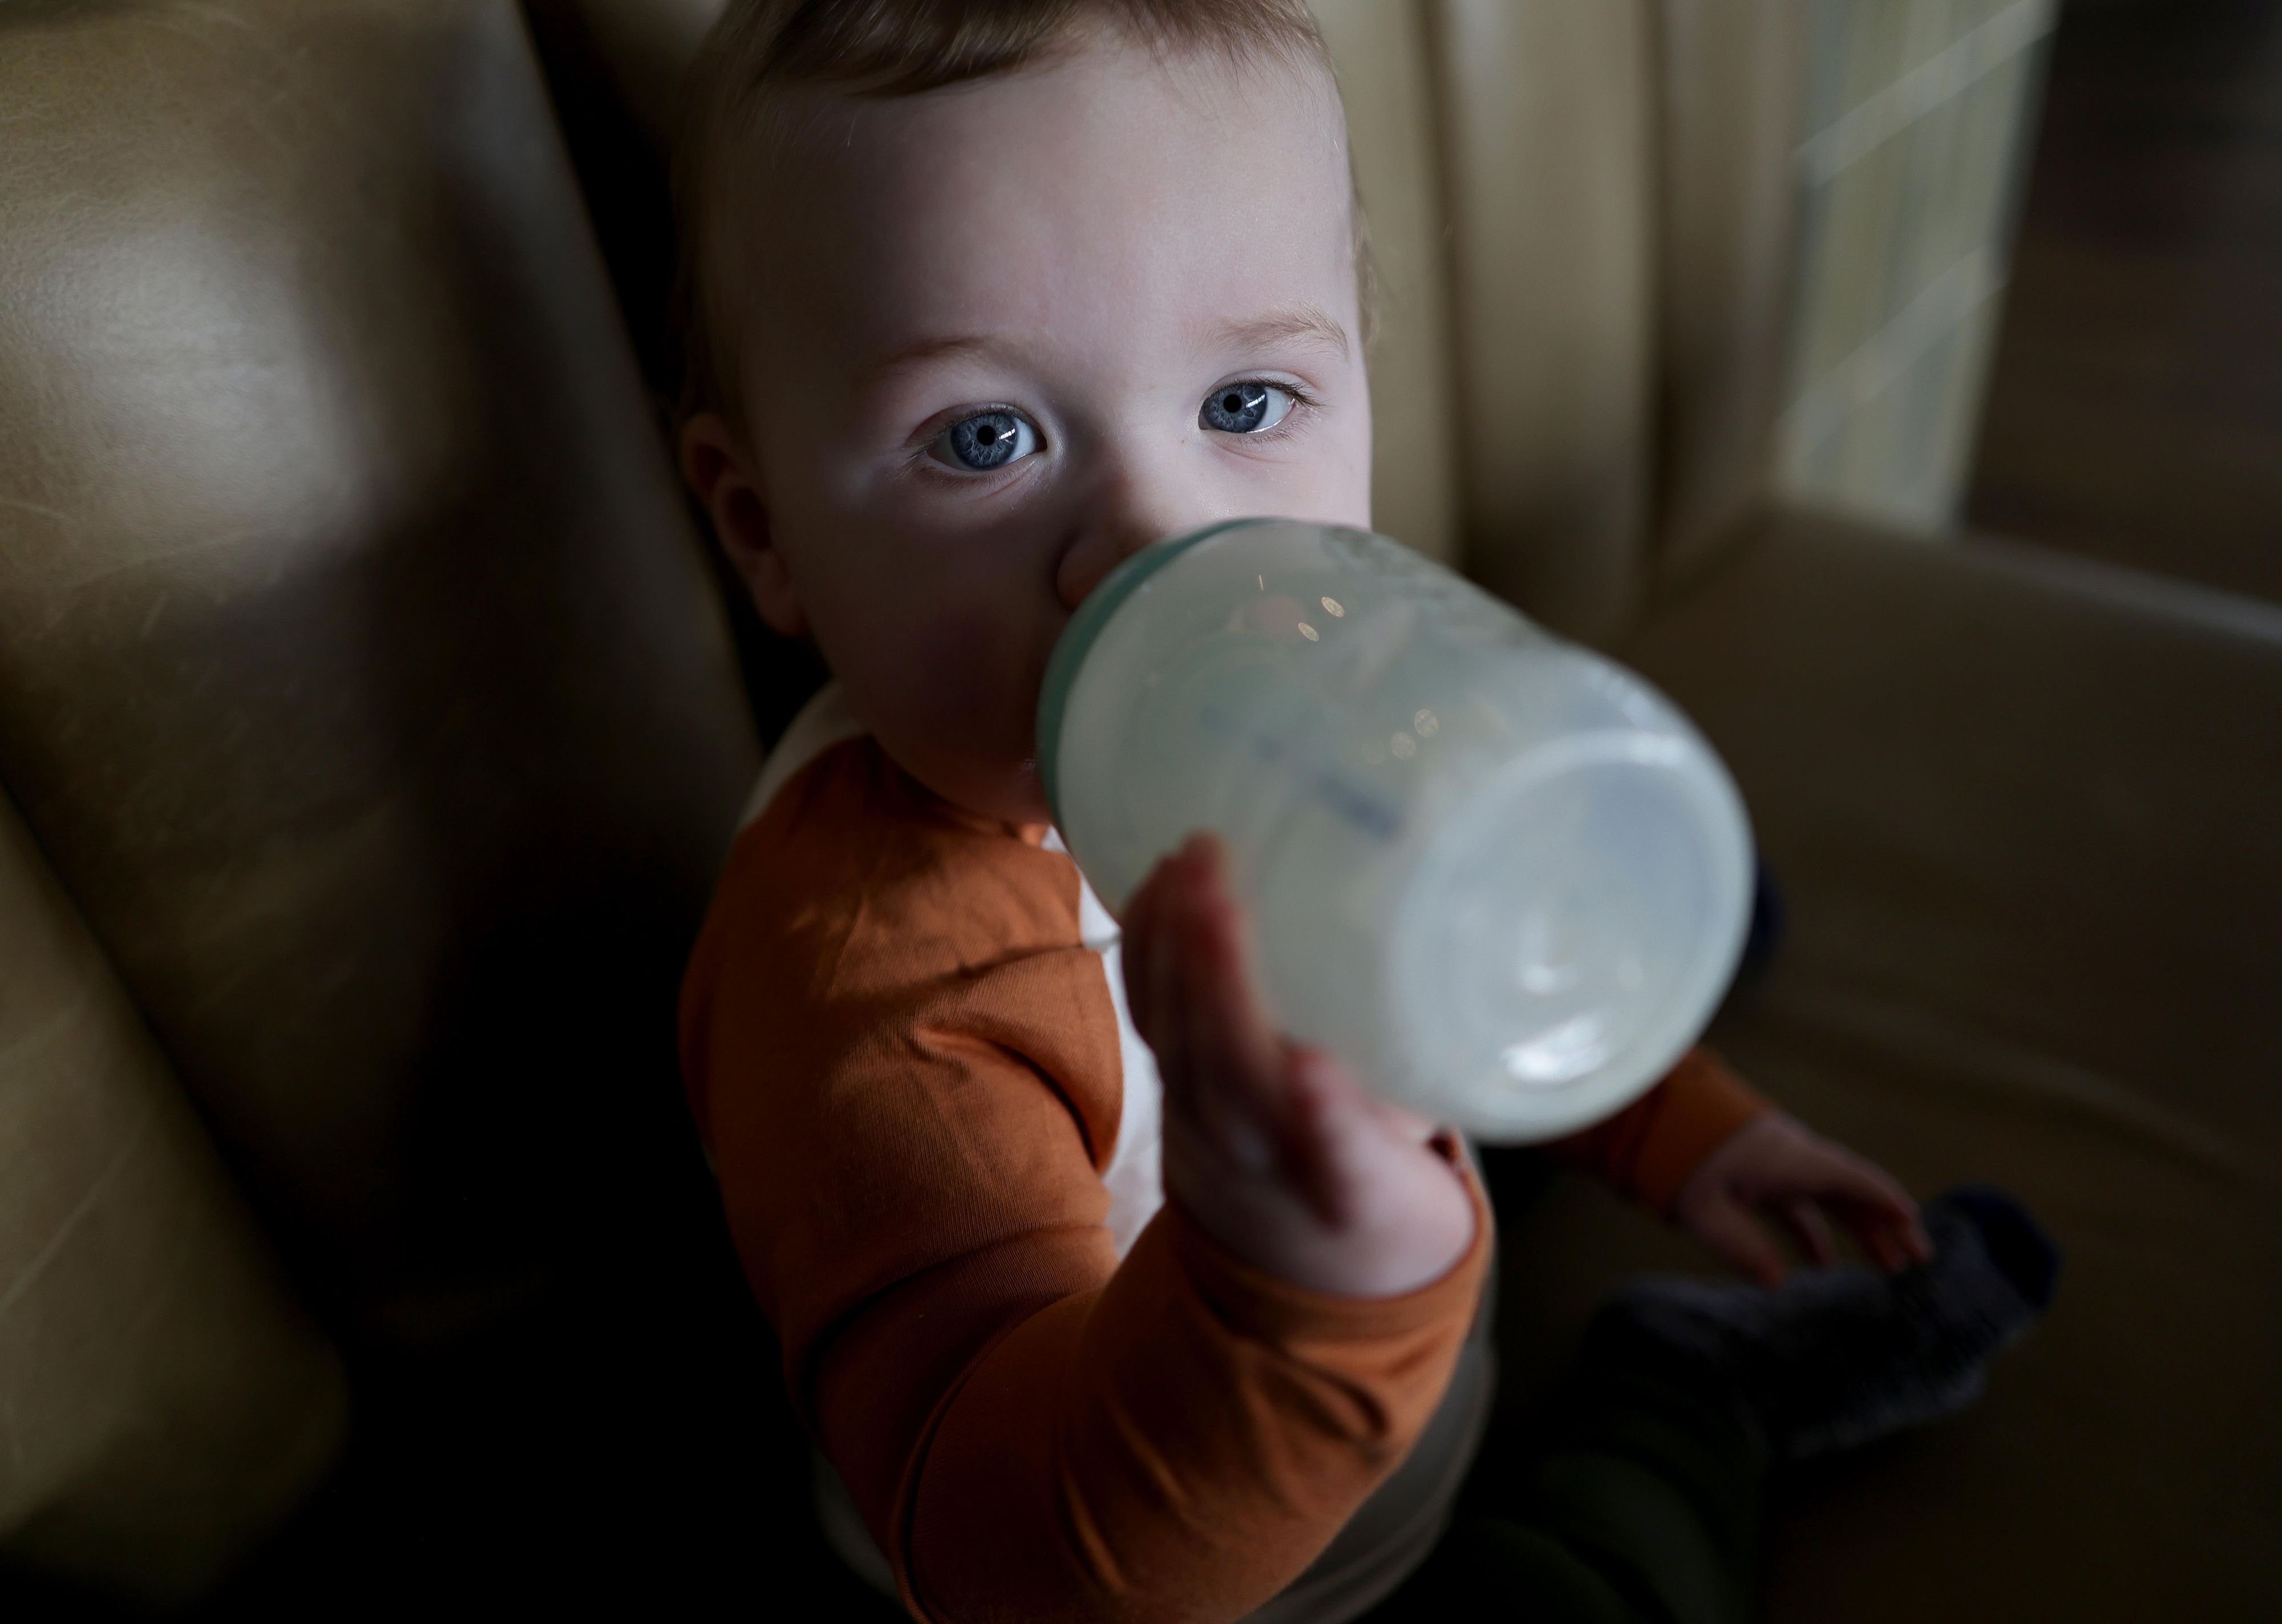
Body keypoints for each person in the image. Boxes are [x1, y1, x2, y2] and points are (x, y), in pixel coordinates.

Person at [673, 5, 2057, 1620]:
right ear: (763, 529)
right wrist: (1276, 1284)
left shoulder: (1302, 704)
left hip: (1402, 1353)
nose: (1158, 542)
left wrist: (1684, 1125)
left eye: (1248, 405)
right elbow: (1009, 1560)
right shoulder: (875, 1008)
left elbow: (1430, 942)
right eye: (986, 439)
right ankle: (1694, 1402)